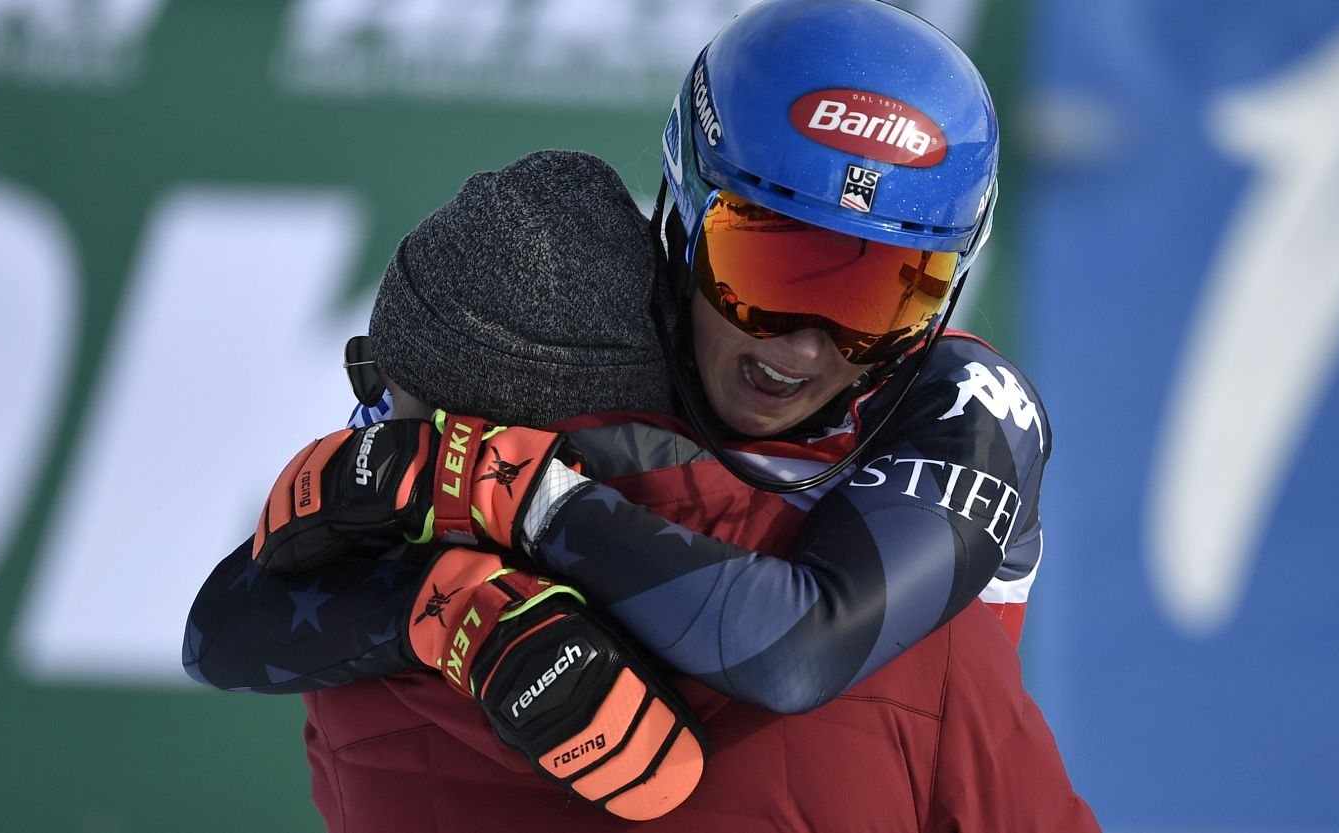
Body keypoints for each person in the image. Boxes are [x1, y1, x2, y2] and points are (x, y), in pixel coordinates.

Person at [187, 1, 1098, 829]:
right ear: (684, 220)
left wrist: (509, 502)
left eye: (880, 299)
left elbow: (796, 649)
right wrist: (444, 608)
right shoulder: (571, 389)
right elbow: (220, 627)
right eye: (769, 273)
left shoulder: (961, 405)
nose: (806, 348)